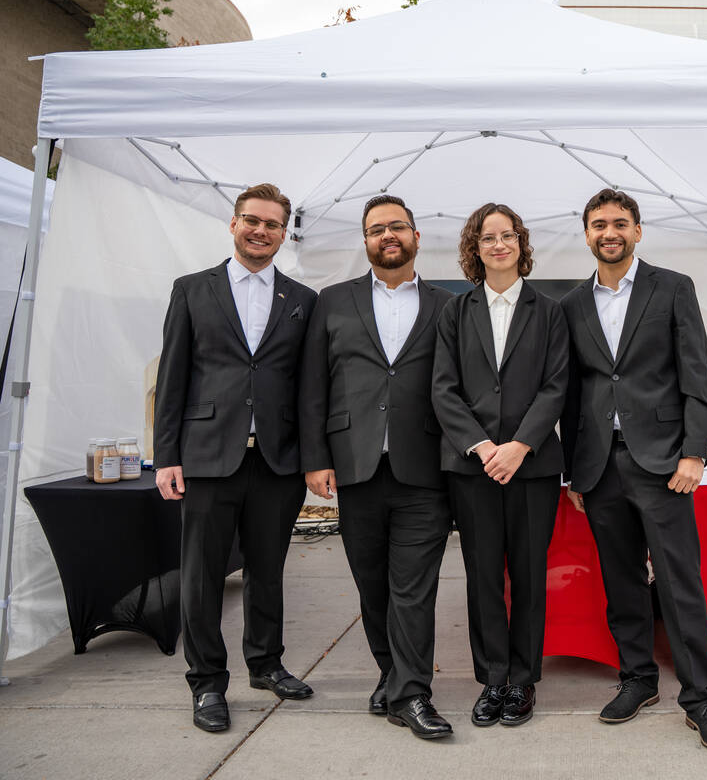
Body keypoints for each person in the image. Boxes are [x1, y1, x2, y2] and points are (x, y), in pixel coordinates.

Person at [560, 189, 707, 751]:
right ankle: (638, 679)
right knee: (621, 582)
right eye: (598, 224)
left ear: (637, 231)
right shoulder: (572, 304)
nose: (609, 233)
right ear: (586, 234)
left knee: (680, 582)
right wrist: (572, 471)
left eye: (619, 223)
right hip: (598, 466)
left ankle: (701, 699)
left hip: (663, 463)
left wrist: (694, 452)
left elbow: (697, 376)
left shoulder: (673, 287)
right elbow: (571, 393)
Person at [154, 183, 317, 733]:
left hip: (277, 460)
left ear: (283, 233)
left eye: (272, 224)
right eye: (252, 220)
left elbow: (308, 387)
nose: (260, 231)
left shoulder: (302, 299)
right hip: (206, 457)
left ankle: (266, 664)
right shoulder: (191, 289)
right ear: (233, 223)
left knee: (267, 571)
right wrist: (166, 455)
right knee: (201, 578)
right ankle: (206, 682)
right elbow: (172, 377)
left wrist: (312, 456)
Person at [299, 195, 455, 739]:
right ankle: (391, 672)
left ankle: (411, 694)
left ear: (416, 236)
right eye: (376, 229)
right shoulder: (332, 300)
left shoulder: (447, 305)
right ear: (365, 240)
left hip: (425, 469)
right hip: (354, 467)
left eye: (397, 226)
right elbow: (313, 384)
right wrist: (315, 459)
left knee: (414, 588)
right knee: (373, 586)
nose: (388, 235)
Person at [431, 203, 569, 727]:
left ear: (520, 243)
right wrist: (483, 447)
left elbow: (556, 385)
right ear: (475, 248)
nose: (498, 244)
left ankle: (523, 680)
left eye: (507, 235)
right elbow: (443, 389)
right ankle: (493, 679)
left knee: (529, 576)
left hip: (533, 468)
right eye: (487, 237)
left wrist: (519, 446)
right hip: (474, 469)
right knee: (482, 575)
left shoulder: (550, 310)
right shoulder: (454, 312)